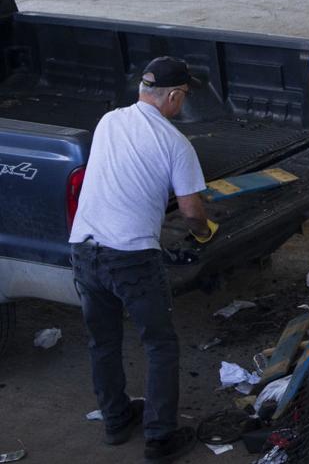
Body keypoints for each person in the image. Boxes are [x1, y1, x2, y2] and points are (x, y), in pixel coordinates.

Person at [68, 56, 212, 462]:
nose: (182, 104)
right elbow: (191, 212)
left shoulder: (108, 121)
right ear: (173, 96)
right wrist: (204, 233)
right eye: (182, 96)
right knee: (160, 344)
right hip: (130, 256)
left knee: (103, 340)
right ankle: (160, 439)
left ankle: (115, 421)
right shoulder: (176, 143)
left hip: (84, 247)